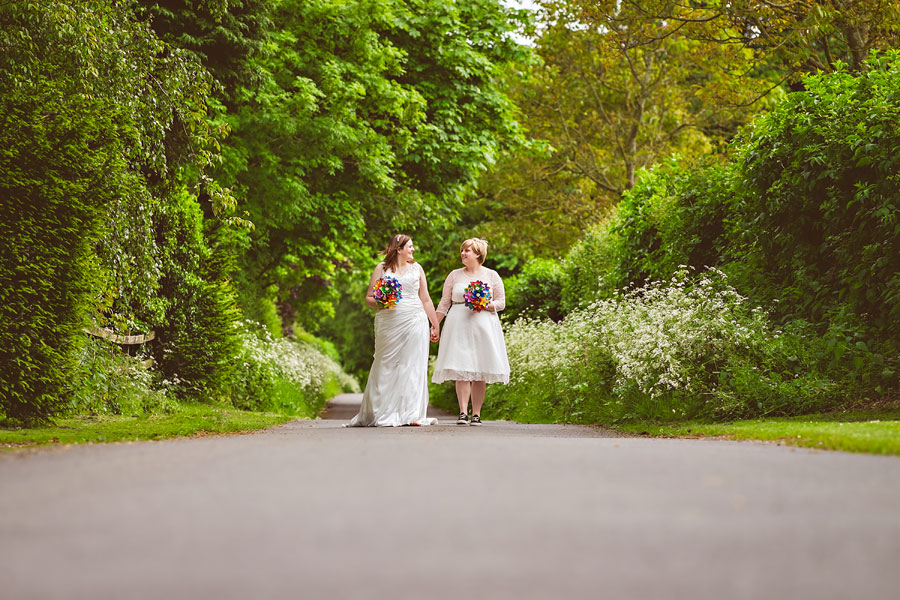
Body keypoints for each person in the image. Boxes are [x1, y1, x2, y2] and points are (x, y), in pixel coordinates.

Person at [347, 234, 442, 427]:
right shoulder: (381, 269)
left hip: (415, 318)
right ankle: (379, 410)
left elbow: (425, 298)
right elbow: (369, 298)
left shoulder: (417, 268)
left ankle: (412, 414)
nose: (413, 250)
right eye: (410, 246)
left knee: (413, 365)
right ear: (398, 249)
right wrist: (382, 301)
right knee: (385, 363)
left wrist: (435, 323)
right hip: (389, 321)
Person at [432, 238, 510, 425]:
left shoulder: (491, 275)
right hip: (458, 324)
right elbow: (444, 303)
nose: (463, 253)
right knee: (461, 367)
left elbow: (501, 303)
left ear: (478, 254)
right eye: (462, 250)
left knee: (479, 370)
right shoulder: (454, 275)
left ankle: (476, 413)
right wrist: (434, 325)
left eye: (467, 250)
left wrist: (484, 304)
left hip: (483, 324)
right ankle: (462, 412)